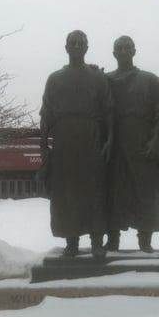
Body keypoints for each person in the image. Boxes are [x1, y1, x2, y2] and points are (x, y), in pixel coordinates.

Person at [39, 30, 113, 258]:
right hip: (64, 139)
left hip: (91, 136)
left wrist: (109, 138)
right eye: (73, 43)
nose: (77, 46)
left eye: (82, 43)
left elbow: (109, 109)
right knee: (66, 191)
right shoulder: (55, 78)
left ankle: (97, 241)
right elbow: (47, 112)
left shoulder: (98, 77)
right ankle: (71, 241)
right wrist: (43, 144)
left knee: (94, 190)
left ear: (87, 48)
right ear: (66, 47)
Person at [105, 36, 159, 252]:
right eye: (119, 48)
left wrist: (155, 142)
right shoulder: (104, 80)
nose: (124, 51)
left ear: (134, 51)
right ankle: (113, 239)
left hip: (143, 143)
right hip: (115, 144)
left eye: (128, 48)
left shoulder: (149, 80)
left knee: (146, 193)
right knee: (112, 191)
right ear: (114, 53)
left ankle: (145, 241)